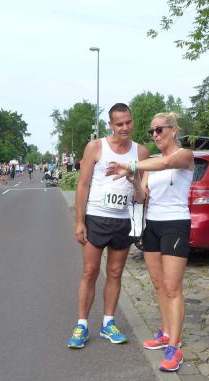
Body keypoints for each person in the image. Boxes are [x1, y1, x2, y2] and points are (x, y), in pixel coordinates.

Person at [106, 112, 194, 372]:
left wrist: (131, 166)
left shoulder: (184, 155)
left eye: (159, 129)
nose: (155, 135)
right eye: (152, 131)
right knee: (159, 285)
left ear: (173, 130)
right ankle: (166, 333)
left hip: (175, 224)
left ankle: (175, 347)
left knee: (173, 288)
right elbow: (142, 197)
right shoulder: (150, 164)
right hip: (152, 225)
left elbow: (166, 163)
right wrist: (134, 181)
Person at [67, 103, 149, 349]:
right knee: (90, 272)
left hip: (123, 219)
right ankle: (81, 325)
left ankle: (108, 323)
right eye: (119, 124)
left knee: (115, 272)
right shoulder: (95, 147)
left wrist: (134, 182)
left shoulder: (141, 152)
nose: (125, 127)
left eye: (128, 122)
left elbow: (141, 196)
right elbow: (82, 185)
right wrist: (79, 221)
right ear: (111, 125)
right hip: (96, 217)